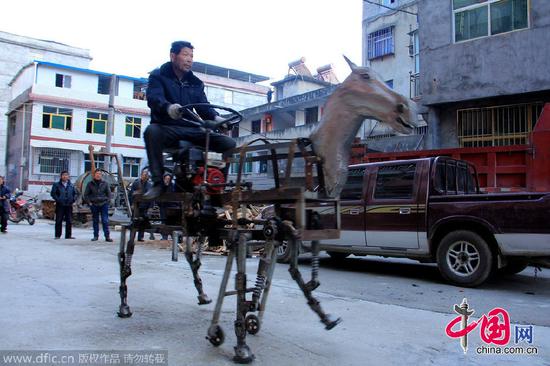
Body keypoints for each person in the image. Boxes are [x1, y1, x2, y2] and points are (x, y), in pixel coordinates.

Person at [143, 40, 236, 200]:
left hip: (190, 128)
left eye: (192, 56)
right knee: (152, 132)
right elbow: (154, 98)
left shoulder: (195, 83)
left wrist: (217, 118)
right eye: (185, 54)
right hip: (167, 127)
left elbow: (204, 108)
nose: (189, 59)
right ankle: (158, 183)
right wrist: (168, 108)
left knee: (228, 143)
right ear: (173, 56)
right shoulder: (158, 76)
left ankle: (217, 184)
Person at [83, 170, 113, 242]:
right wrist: (89, 203)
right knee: (95, 221)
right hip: (94, 204)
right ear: (94, 175)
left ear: (101, 175)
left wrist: (107, 202)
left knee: (105, 220)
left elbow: (109, 194)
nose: (98, 175)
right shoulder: (90, 184)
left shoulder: (105, 183)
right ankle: (95, 236)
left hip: (103, 204)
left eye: (100, 174)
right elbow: (86, 195)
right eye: (97, 174)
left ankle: (107, 236)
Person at [51, 170, 77, 239]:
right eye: (64, 175)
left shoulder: (71, 185)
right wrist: (58, 199)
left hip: (69, 205)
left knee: (69, 220)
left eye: (66, 175)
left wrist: (73, 200)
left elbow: (75, 194)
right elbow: (53, 193)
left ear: (68, 177)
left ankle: (68, 235)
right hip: (60, 205)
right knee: (59, 220)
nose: (65, 176)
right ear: (61, 176)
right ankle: (57, 235)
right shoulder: (56, 185)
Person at [129, 169, 152, 242]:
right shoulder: (136, 183)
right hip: (137, 206)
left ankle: (140, 237)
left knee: (143, 221)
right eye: (143, 175)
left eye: (146, 175)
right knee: (134, 221)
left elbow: (152, 197)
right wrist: (132, 204)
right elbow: (131, 195)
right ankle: (132, 236)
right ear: (141, 175)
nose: (144, 176)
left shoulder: (149, 185)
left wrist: (151, 207)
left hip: (145, 206)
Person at [159, 173, 176, 240]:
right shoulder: (161, 186)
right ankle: (164, 237)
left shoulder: (173, 186)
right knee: (163, 221)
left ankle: (173, 236)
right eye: (166, 179)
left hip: (171, 206)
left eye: (168, 179)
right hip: (163, 206)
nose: (167, 180)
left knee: (171, 221)